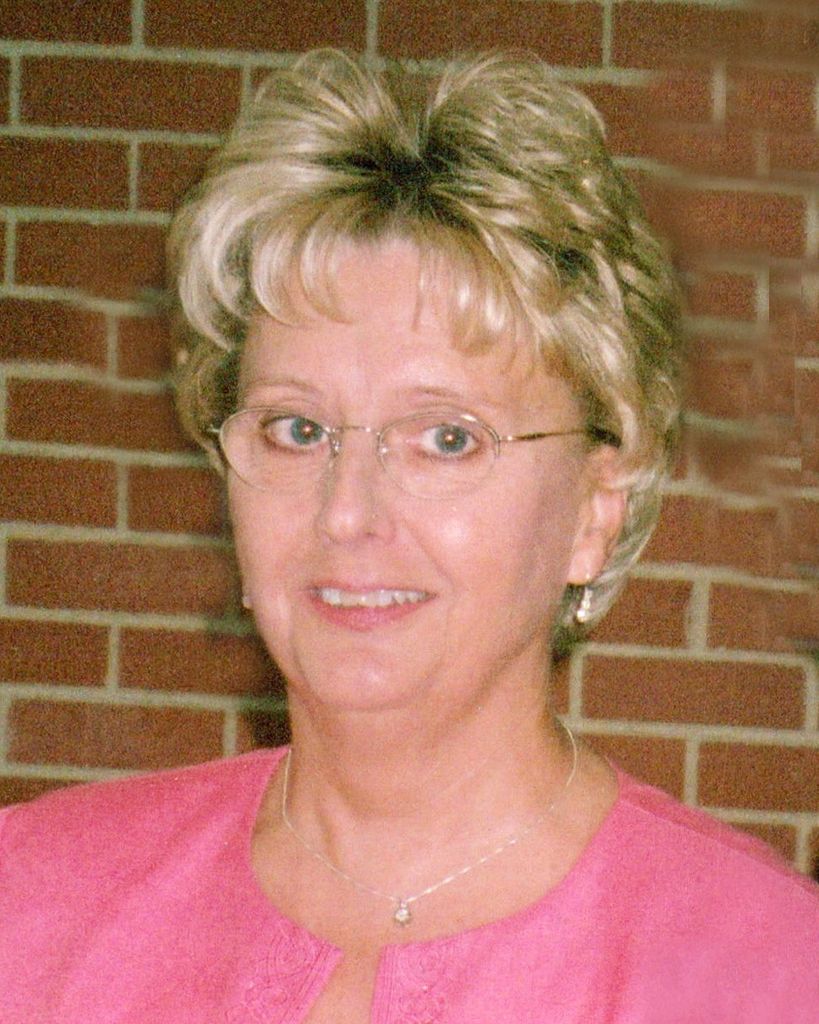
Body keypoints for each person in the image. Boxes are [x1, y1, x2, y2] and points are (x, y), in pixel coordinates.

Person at [1, 50, 817, 1024]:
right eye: (297, 429)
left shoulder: (770, 966)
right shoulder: (31, 898)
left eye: (446, 438)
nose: (347, 512)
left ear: (594, 511)